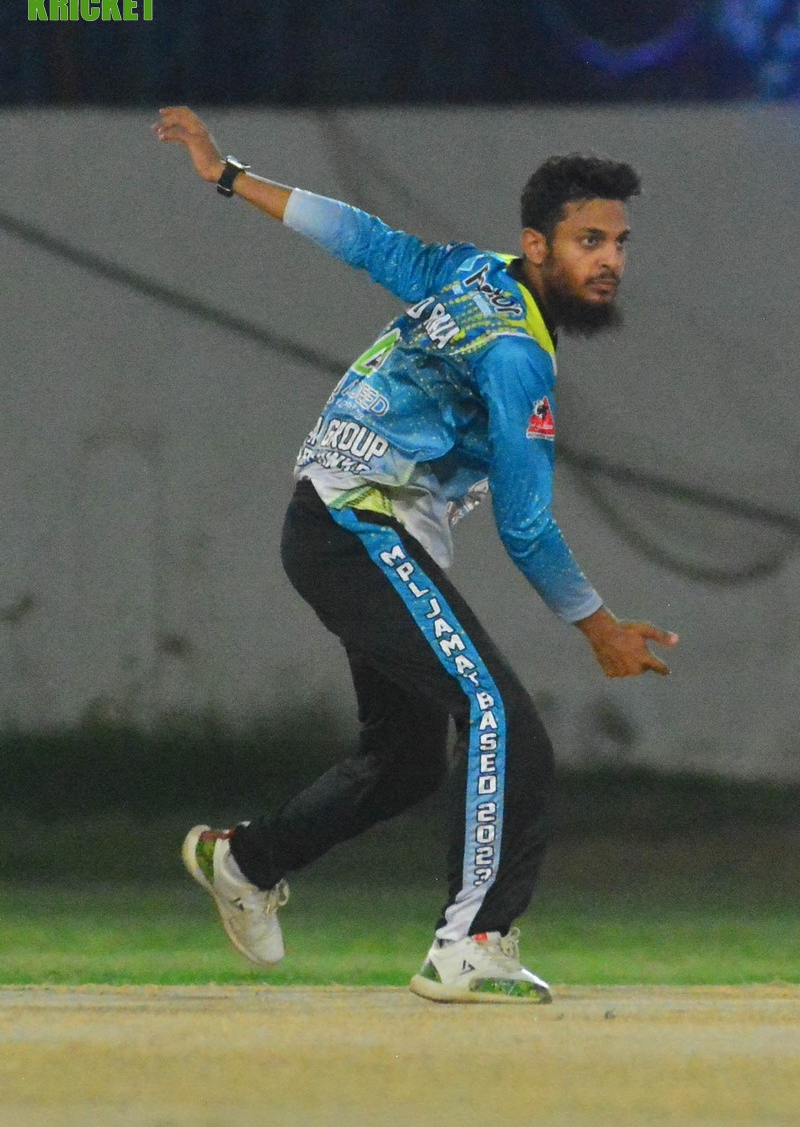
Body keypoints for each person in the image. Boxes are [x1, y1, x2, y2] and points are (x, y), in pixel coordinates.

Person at [153, 106, 678, 1004]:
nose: (610, 262)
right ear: (537, 246)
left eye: (619, 243)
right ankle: (471, 943)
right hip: (356, 527)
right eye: (588, 241)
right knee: (501, 716)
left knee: (406, 762)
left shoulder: (474, 273)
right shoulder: (516, 352)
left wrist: (229, 176)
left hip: (336, 525)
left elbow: (360, 238)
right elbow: (526, 526)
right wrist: (599, 628)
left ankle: (244, 861)